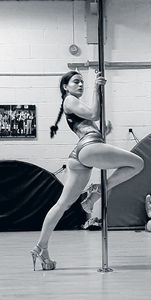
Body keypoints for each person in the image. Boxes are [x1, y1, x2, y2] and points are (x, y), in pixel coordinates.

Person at [31, 70, 144, 271]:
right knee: (138, 163)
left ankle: (41, 247)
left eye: (83, 82)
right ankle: (97, 192)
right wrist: (97, 88)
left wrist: (103, 132)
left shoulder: (74, 104)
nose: (80, 85)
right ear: (66, 86)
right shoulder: (69, 100)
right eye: (76, 82)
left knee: (62, 204)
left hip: (80, 154)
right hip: (88, 147)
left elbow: (89, 124)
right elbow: (94, 113)